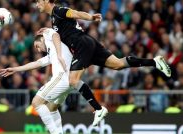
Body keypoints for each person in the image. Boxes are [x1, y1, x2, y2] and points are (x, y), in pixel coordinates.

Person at [35, 0, 171, 126]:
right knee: (118, 64)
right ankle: (154, 62)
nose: (37, 4)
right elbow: (60, 33)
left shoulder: (58, 11)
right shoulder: (54, 19)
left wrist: (90, 18)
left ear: (47, 0)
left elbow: (74, 13)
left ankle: (98, 109)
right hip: (88, 43)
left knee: (72, 80)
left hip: (82, 45)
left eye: (38, 1)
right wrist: (49, 31)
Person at [0, 28, 73, 134]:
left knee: (36, 102)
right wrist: (15, 69)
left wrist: (47, 30)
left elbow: (55, 34)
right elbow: (35, 64)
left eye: (37, 46)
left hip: (61, 78)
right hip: (69, 81)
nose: (38, 50)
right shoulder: (51, 53)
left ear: (42, 40)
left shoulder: (50, 40)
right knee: (52, 108)